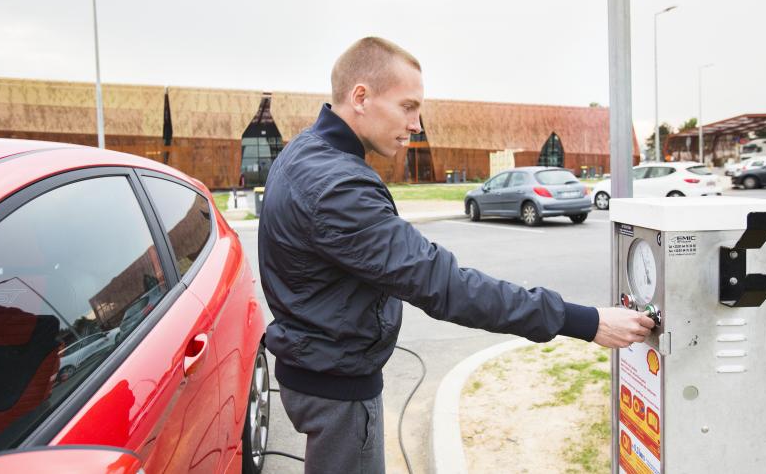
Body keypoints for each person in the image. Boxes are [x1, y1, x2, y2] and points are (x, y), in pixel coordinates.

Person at [257, 37, 654, 473]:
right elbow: (445, 286)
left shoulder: (304, 152)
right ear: (360, 97)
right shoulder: (337, 186)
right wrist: (586, 321)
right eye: (408, 106)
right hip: (337, 388)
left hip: (316, 369)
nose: (416, 124)